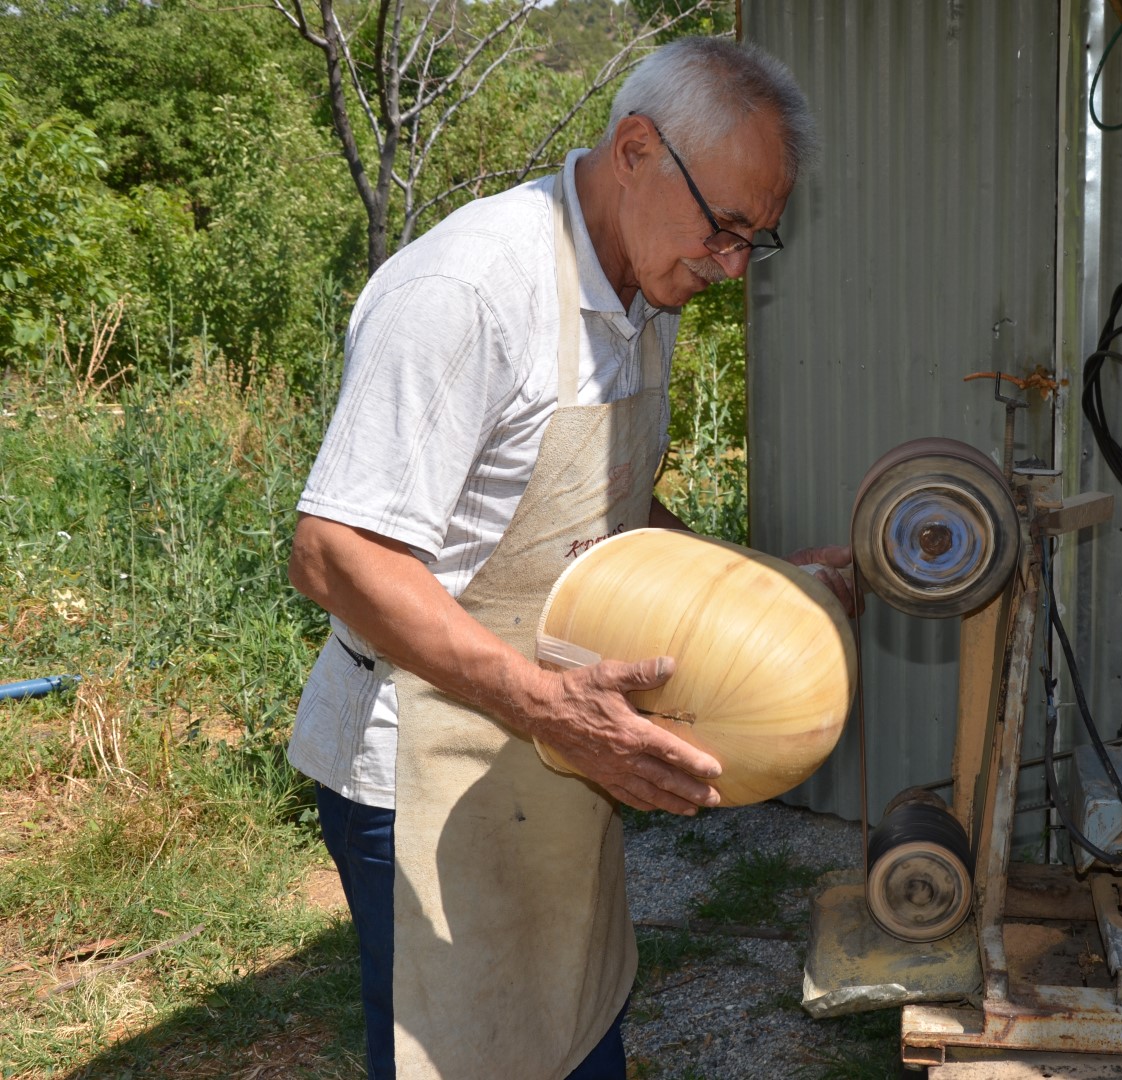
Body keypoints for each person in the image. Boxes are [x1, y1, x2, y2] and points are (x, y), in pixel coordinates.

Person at [285, 37, 848, 1080]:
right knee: (468, 1056)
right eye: (724, 228)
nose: (730, 267)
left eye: (753, 242)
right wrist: (552, 710)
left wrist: (762, 593)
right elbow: (335, 553)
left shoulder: (641, 289)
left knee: (574, 1037)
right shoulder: (469, 291)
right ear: (635, 149)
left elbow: (600, 509)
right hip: (421, 770)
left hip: (551, 753)